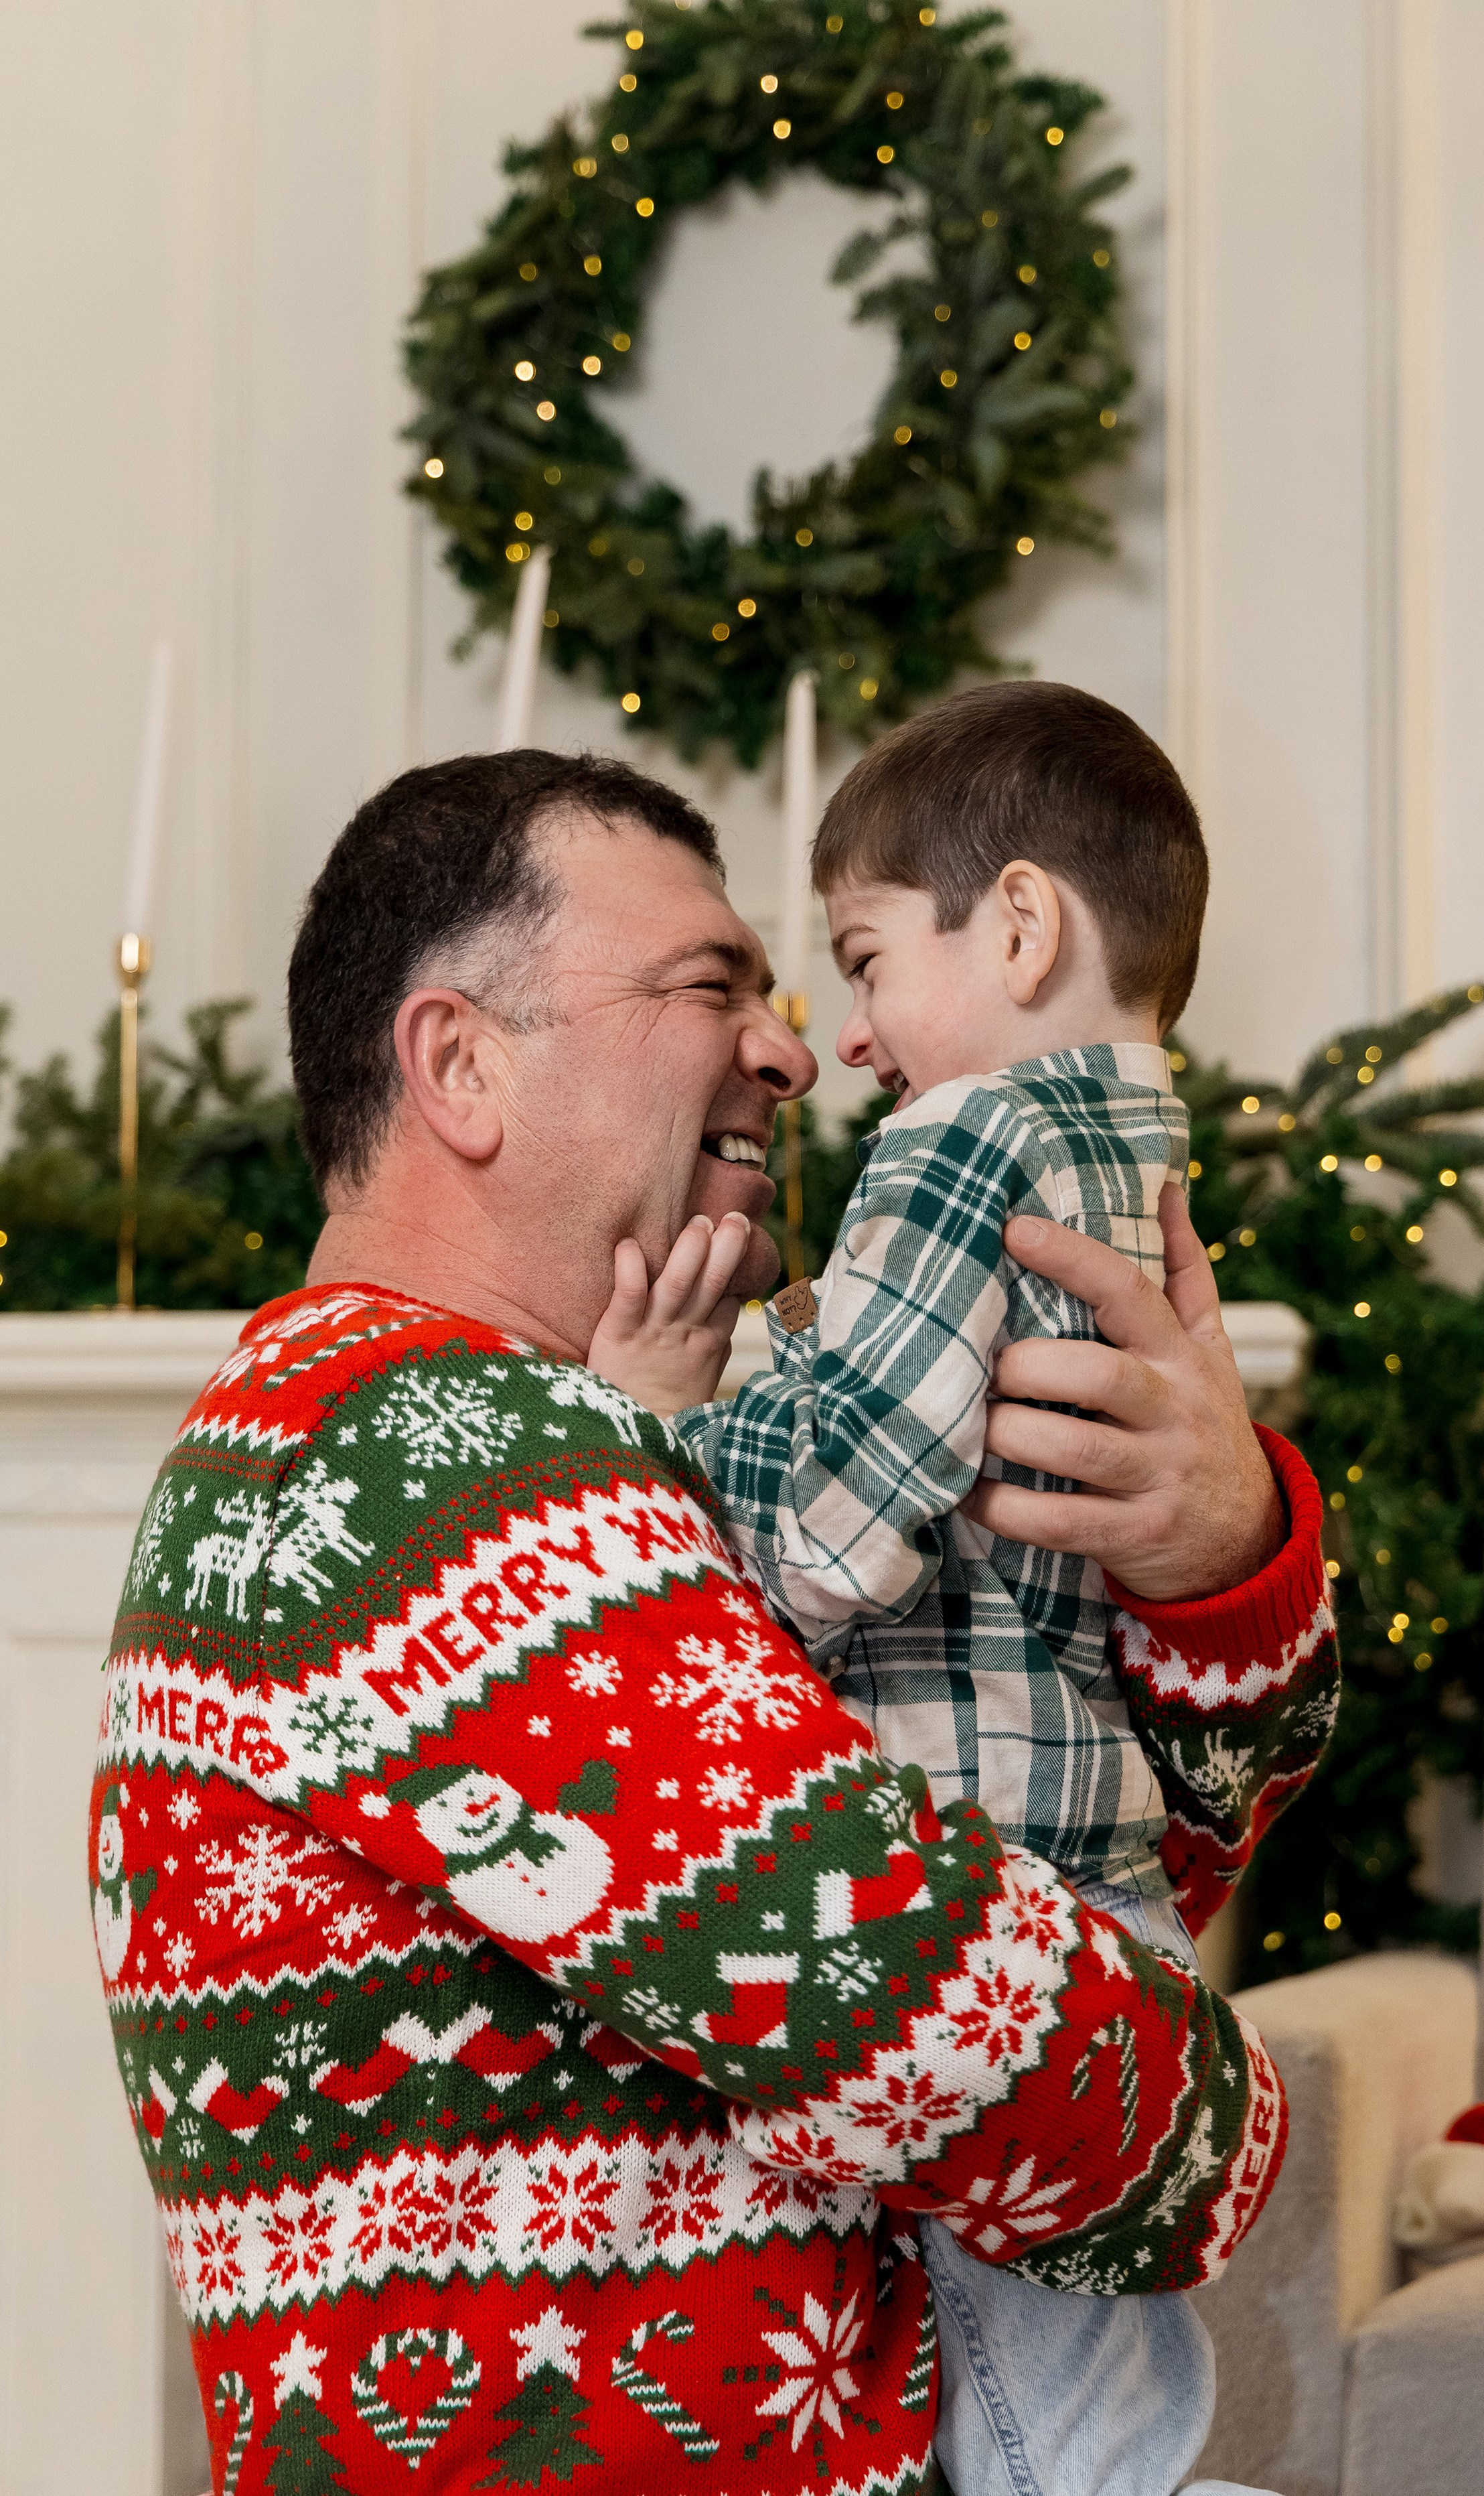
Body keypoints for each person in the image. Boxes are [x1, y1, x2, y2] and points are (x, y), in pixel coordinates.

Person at [88, 748, 1333, 2496]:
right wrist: (1238, 2127)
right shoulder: (402, 1461)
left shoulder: (590, 1453)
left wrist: (1217, 1558)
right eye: (710, 987)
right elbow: (965, 2022)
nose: (795, 1047)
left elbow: (1107, 1870)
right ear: (461, 1064)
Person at [592, 684, 1337, 2495]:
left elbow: (845, 1524)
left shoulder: (957, 1149)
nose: (835, 1040)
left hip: (990, 1892)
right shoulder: (1130, 1145)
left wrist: (651, 1431)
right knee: (1098, 2438)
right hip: (1103, 1896)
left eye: (858, 964)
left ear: (1018, 926)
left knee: (1067, 2466)